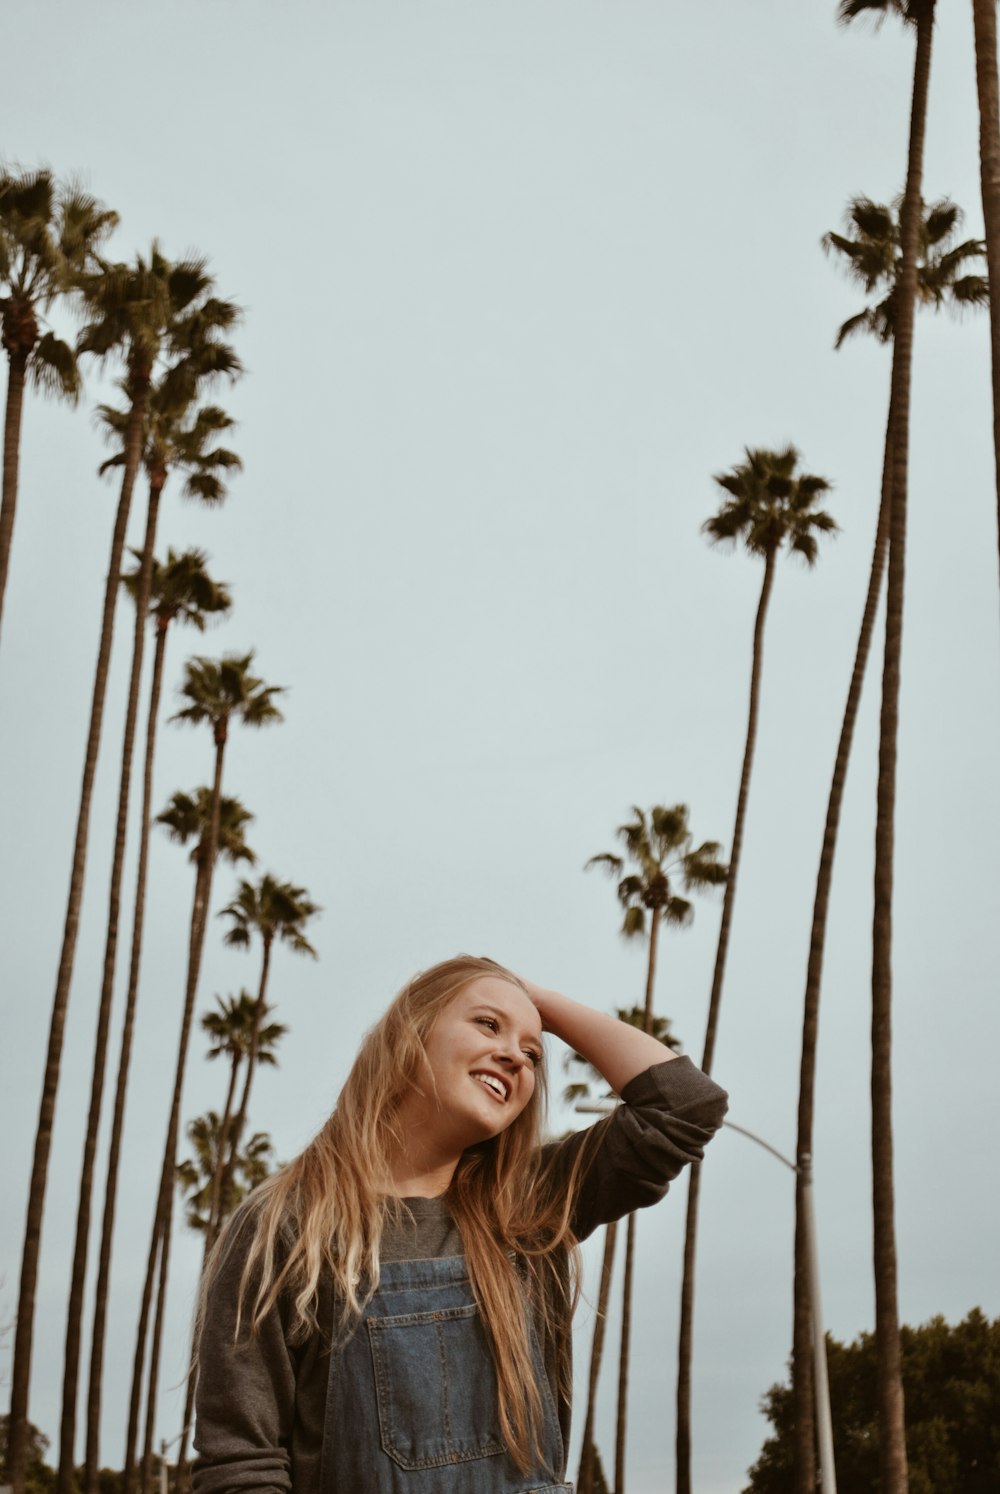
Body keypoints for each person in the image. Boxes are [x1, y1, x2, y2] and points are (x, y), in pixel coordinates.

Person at [192, 954, 728, 1494]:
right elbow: (243, 1465)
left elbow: (685, 1106)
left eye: (532, 1054)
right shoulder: (287, 1224)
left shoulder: (524, 1205)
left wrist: (533, 999)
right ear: (411, 1032)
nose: (516, 1058)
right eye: (488, 1024)